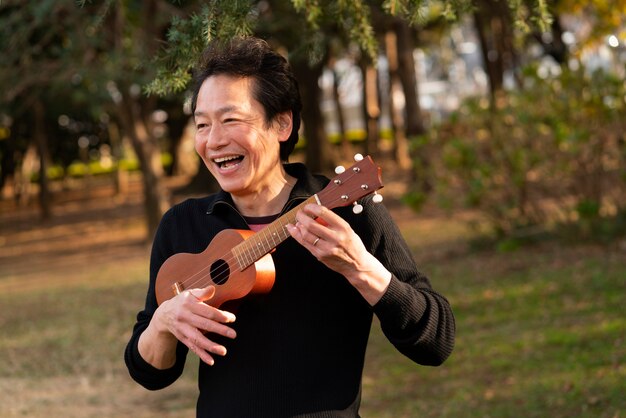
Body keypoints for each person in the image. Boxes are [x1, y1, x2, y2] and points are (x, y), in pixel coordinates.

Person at [124, 36, 455, 418]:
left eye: (230, 119)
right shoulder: (183, 226)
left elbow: (437, 342)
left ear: (282, 123)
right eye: (202, 124)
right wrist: (163, 322)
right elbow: (150, 373)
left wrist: (360, 268)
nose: (213, 141)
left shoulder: (346, 213)